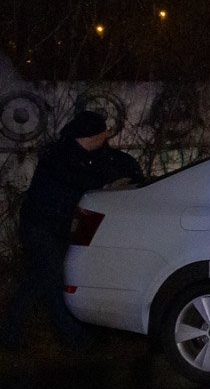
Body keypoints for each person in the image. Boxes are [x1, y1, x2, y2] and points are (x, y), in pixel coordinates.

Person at [0, 111, 136, 350]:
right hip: (41, 228)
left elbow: (109, 165)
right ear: (90, 136)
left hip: (54, 228)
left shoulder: (81, 155)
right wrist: (109, 183)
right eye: (101, 135)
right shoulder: (60, 158)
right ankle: (74, 339)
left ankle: (9, 335)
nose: (105, 138)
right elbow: (81, 178)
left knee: (39, 280)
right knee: (52, 281)